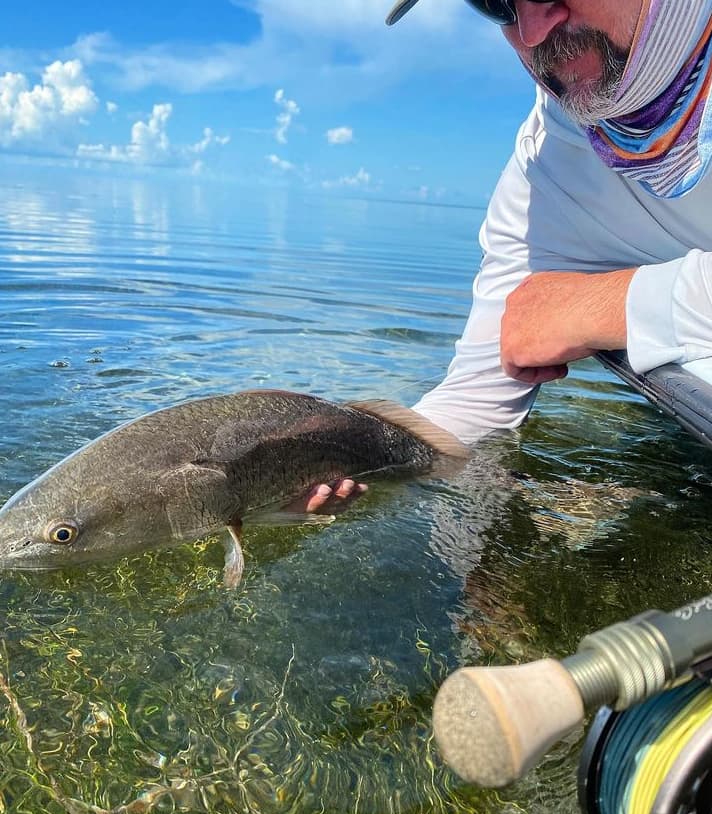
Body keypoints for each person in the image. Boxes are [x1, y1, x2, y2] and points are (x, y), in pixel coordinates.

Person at [299, 0, 712, 512]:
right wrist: (337, 459)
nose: (534, 32)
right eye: (494, 1)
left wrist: (609, 305)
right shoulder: (546, 164)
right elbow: (478, 395)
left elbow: (581, 311)